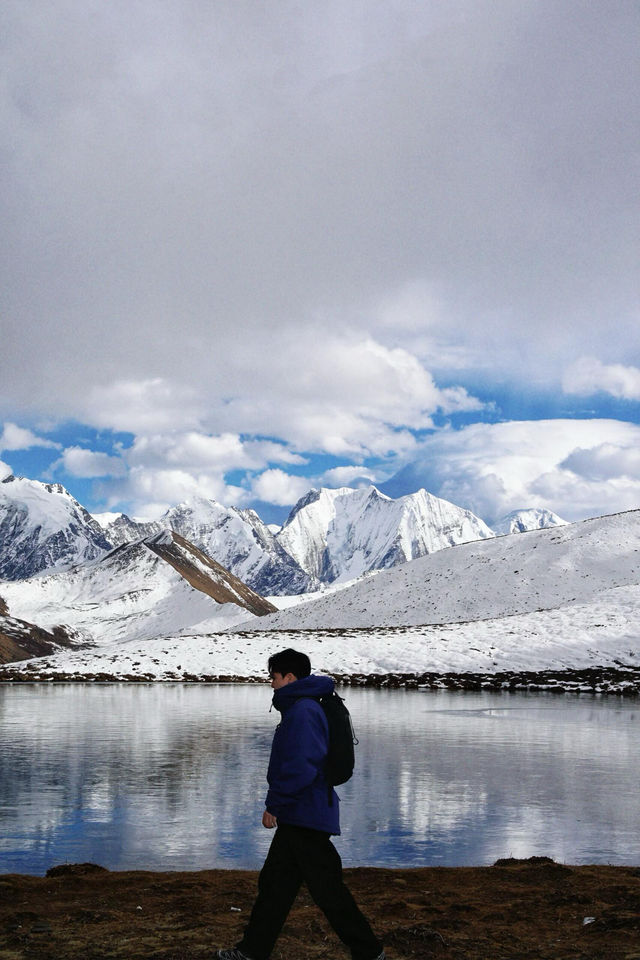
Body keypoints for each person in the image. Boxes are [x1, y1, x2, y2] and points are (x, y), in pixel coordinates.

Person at [217, 647, 385, 960]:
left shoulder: (303, 711)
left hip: (304, 812)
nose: (271, 683)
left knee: (326, 889)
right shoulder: (304, 707)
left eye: (274, 677)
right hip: (305, 812)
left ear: (290, 677)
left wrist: (275, 805)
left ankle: (369, 951)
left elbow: (300, 767)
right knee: (275, 885)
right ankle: (253, 950)